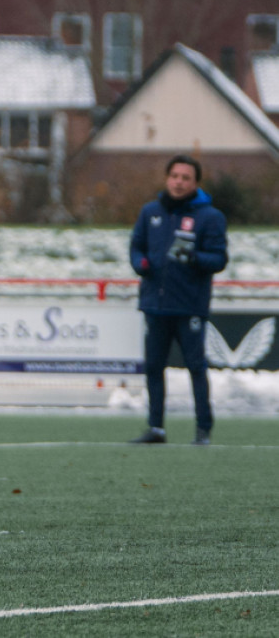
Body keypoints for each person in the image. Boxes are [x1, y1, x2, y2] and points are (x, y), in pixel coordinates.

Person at [128, 155, 228, 446]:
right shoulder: (151, 212)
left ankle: (203, 429)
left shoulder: (210, 217)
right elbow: (136, 246)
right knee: (154, 367)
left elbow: (219, 258)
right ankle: (156, 428)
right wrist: (140, 263)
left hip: (189, 306)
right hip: (155, 305)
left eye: (185, 177)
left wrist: (195, 258)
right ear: (167, 178)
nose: (179, 182)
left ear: (195, 183)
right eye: (174, 176)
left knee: (196, 367)